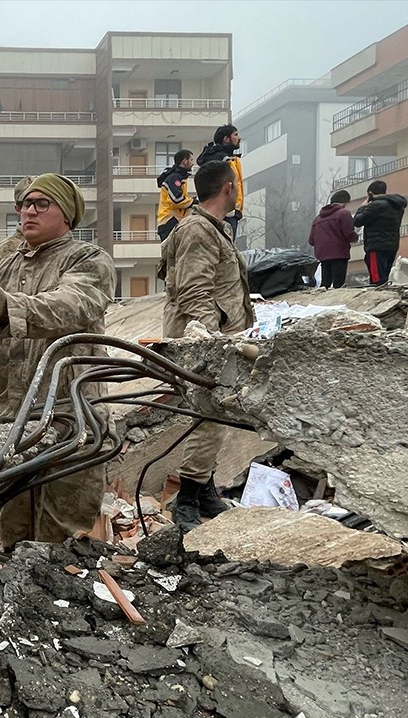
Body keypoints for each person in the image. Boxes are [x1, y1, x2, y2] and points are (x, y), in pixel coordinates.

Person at [0, 173, 116, 548]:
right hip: (14, 415)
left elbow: (71, 305)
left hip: (72, 415)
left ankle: (57, 599)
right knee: (14, 519)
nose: (28, 211)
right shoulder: (4, 270)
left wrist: (7, 307)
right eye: (24, 205)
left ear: (66, 215)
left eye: (42, 204)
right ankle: (13, 594)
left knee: (63, 528)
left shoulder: (87, 259)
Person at [157, 161, 254, 531]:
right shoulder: (199, 230)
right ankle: (186, 500)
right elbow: (195, 290)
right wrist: (209, 341)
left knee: (218, 418)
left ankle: (204, 489)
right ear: (227, 188)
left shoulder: (213, 229)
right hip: (205, 341)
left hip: (220, 337)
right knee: (207, 419)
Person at [353, 180, 407, 286]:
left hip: (376, 246)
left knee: (376, 280)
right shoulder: (397, 206)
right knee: (384, 277)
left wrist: (362, 207)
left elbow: (358, 221)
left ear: (370, 194)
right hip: (392, 245)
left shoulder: (376, 205)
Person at [197, 125, 244, 237]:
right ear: (226, 139)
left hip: (230, 212)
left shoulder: (231, 158)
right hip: (223, 213)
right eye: (236, 135)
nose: (239, 138)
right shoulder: (221, 159)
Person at [308, 190, 358, 288]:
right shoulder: (344, 214)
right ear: (344, 202)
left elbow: (311, 240)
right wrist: (356, 237)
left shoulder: (318, 219)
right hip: (339, 254)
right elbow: (348, 234)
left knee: (325, 284)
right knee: (339, 284)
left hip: (323, 255)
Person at [0, 176, 34, 272]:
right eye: (28, 203)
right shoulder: (0, 254)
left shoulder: (63, 250)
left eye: (42, 203)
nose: (33, 210)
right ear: (18, 208)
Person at [157, 149, 196, 240]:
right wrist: (195, 201)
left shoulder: (179, 177)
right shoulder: (173, 178)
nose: (192, 163)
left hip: (175, 220)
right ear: (184, 161)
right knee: (173, 252)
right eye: (191, 160)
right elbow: (177, 200)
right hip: (169, 221)